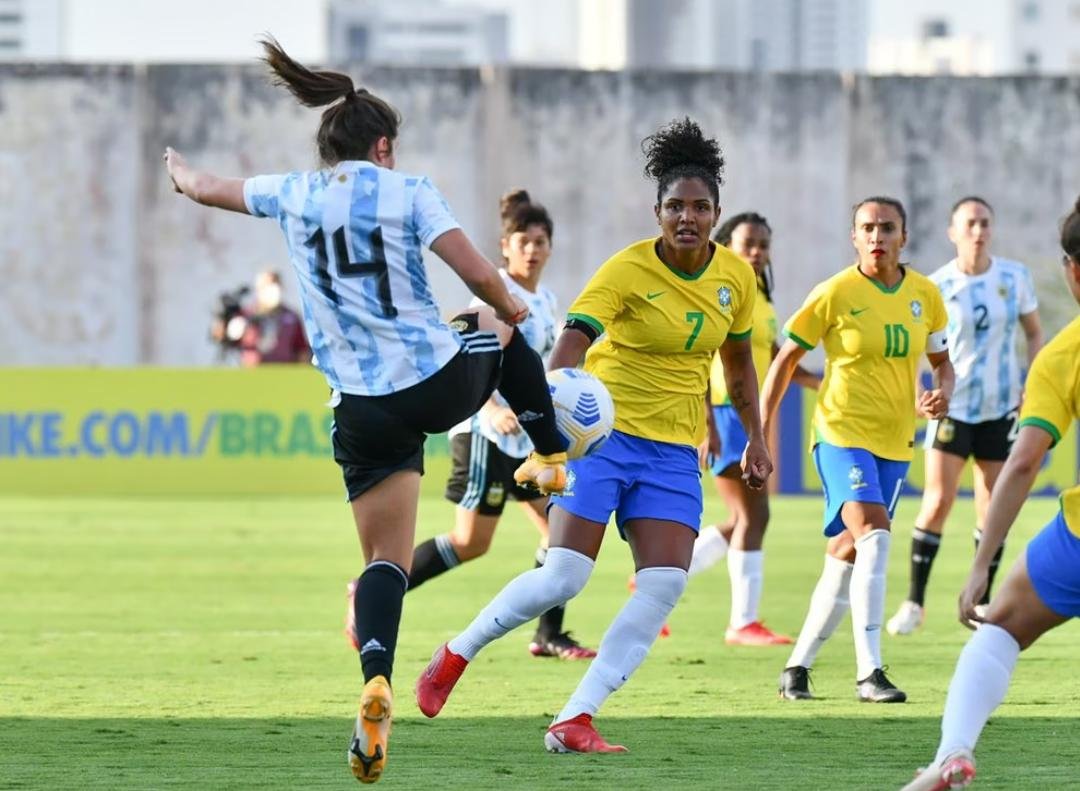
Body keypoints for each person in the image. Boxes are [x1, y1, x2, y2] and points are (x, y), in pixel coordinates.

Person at [163, 37, 569, 785]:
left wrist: (181, 175)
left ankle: (374, 678)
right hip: (433, 381)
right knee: (492, 316)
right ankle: (549, 456)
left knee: (383, 560)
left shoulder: (293, 191)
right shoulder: (409, 189)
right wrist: (516, 317)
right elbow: (480, 272)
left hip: (358, 407)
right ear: (383, 145)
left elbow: (211, 186)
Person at [413, 117, 773, 753]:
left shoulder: (735, 280)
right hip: (604, 442)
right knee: (564, 577)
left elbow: (739, 364)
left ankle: (574, 716)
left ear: (715, 212)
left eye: (699, 207)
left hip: (672, 451)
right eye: (674, 207)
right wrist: (555, 418)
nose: (687, 218)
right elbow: (571, 343)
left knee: (664, 585)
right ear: (655, 210)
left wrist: (756, 437)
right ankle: (454, 654)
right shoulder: (626, 271)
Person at [344, 189, 595, 660]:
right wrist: (488, 409)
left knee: (559, 530)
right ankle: (370, 590)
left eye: (541, 241)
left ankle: (548, 635)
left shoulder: (546, 301)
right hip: (486, 436)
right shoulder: (492, 290)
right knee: (470, 542)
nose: (533, 249)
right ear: (505, 246)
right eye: (523, 240)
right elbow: (457, 354)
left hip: (525, 439)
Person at [899, 196, 1080, 791]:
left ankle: (953, 754)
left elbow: (1026, 460)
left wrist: (980, 565)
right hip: (964, 415)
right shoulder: (943, 285)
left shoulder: (1061, 355)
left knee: (998, 625)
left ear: (1071, 271)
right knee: (940, 501)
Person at [762, 197, 954, 703]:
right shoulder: (834, 293)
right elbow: (783, 362)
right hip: (840, 433)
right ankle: (870, 672)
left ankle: (797, 667)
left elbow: (943, 361)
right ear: (854, 237)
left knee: (847, 552)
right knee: (874, 532)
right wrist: (760, 432)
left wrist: (942, 393)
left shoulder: (925, 295)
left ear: (903, 237)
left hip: (895, 442)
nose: (876, 236)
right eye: (867, 228)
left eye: (886, 228)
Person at [888, 197, 1042, 636]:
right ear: (952, 232)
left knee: (993, 507)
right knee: (937, 501)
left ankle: (984, 601)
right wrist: (923, 392)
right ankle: (914, 603)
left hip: (999, 409)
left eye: (984, 223)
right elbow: (923, 347)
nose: (978, 230)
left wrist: (1032, 380)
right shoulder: (935, 286)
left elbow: (1033, 332)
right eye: (969, 223)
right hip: (953, 407)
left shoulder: (1014, 278)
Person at [689, 212, 820, 646]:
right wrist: (707, 423)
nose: (758, 252)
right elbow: (703, 356)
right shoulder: (719, 290)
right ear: (727, 244)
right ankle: (742, 622)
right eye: (749, 244)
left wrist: (815, 378)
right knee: (753, 515)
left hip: (751, 417)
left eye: (764, 244)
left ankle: (668, 570)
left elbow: (770, 351)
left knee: (742, 518)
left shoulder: (757, 294)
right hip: (727, 413)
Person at [211, 269, 312, 366]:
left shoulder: (291, 318)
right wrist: (224, 324)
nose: (272, 288)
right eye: (267, 285)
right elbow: (220, 336)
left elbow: (302, 351)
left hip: (283, 374)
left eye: (275, 283)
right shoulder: (246, 315)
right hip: (253, 374)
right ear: (258, 289)